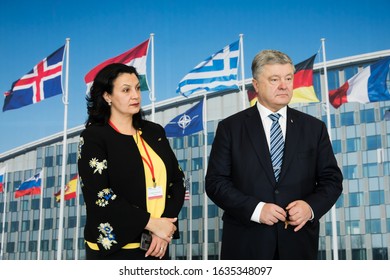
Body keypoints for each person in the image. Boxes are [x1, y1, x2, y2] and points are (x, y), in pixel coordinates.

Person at [205, 50, 343, 260]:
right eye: (274, 79)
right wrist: (256, 209)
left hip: (298, 245)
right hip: (246, 245)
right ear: (256, 85)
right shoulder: (230, 128)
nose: (284, 85)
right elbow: (216, 182)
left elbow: (332, 180)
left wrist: (310, 207)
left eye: (288, 78)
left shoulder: (314, 128)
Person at [77, 63, 185, 260]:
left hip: (157, 246)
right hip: (114, 250)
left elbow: (178, 181)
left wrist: (163, 229)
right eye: (126, 90)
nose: (135, 95)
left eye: (137, 88)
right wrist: (152, 223)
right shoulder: (94, 137)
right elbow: (100, 194)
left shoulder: (154, 132)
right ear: (107, 96)